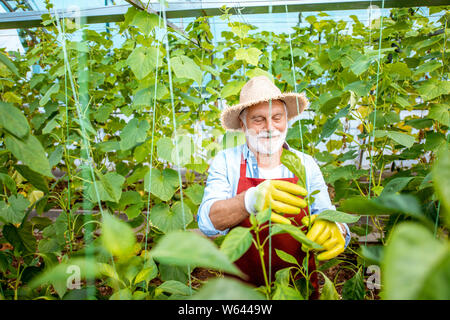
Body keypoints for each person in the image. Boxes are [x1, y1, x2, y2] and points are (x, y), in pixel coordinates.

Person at [197, 76, 350, 296]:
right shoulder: (227, 161)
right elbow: (207, 222)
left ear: (286, 119)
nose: (270, 127)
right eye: (258, 119)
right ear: (243, 124)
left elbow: (326, 213)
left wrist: (338, 228)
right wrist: (250, 200)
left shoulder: (304, 163)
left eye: (277, 117)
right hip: (242, 291)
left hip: (297, 287)